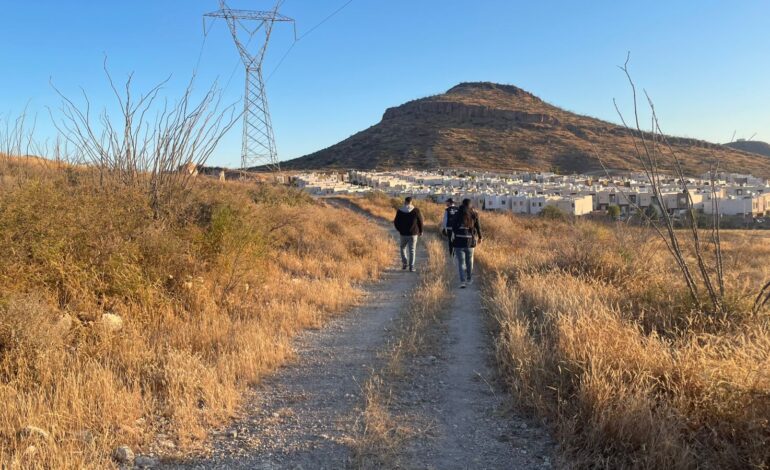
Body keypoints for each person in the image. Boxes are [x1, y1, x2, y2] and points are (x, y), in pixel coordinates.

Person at [451, 198, 482, 288]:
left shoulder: (457, 214)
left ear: (462, 204)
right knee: (469, 261)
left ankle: (462, 281)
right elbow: (478, 227)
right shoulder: (474, 214)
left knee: (461, 262)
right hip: (470, 241)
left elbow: (453, 227)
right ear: (470, 205)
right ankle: (469, 278)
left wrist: (457, 232)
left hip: (458, 241)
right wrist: (480, 237)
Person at [393, 196, 424, 272]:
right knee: (412, 250)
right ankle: (411, 267)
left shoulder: (400, 210)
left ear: (405, 201)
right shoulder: (416, 210)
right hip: (413, 234)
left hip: (403, 234)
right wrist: (421, 231)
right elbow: (421, 221)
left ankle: (404, 264)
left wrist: (399, 230)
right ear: (411, 202)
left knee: (402, 248)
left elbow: (396, 222)